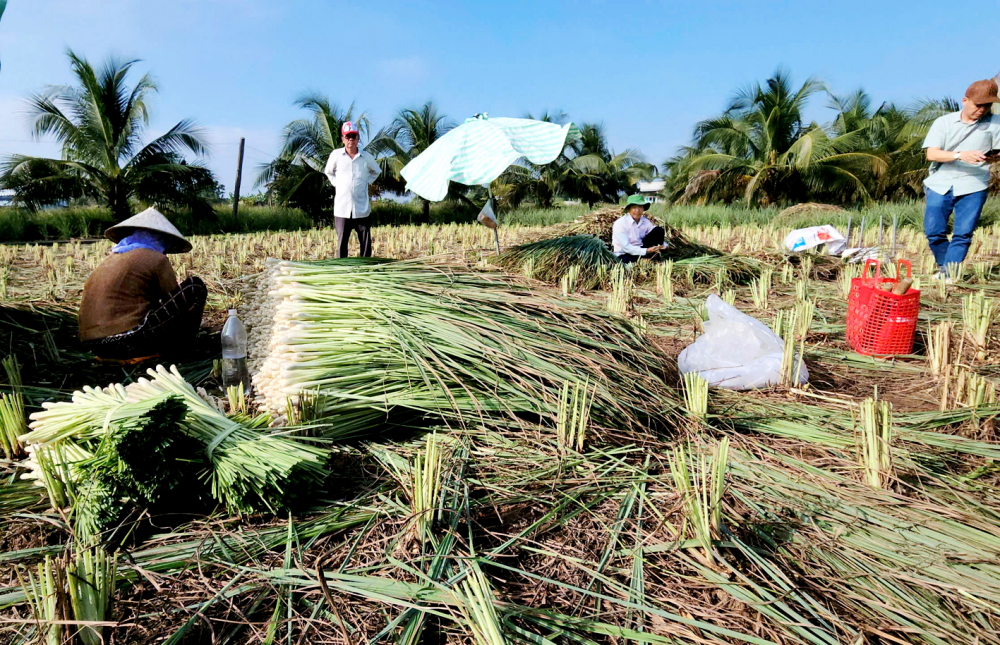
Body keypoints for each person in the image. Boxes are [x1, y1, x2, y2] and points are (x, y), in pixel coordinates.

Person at [78, 208, 207, 360]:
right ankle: (185, 349)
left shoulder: (111, 259)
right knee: (194, 287)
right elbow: (173, 301)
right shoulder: (156, 258)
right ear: (160, 239)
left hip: (94, 345)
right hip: (126, 341)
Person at [922, 78, 1000, 279]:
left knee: (963, 233)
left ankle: (949, 273)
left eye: (988, 105)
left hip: (974, 184)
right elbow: (932, 154)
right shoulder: (944, 122)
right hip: (941, 183)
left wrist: (992, 156)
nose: (982, 109)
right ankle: (945, 266)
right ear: (965, 100)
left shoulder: (996, 124)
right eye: (978, 104)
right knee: (934, 231)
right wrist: (960, 155)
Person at [324, 121, 382, 258]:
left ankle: (365, 269)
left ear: (358, 138)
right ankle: (341, 270)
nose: (351, 139)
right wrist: (336, 183)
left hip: (361, 207)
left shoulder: (366, 157)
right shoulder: (336, 155)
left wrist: (366, 182)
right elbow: (328, 172)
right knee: (342, 242)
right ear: (343, 139)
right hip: (342, 208)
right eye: (348, 136)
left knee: (365, 242)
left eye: (353, 136)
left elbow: (376, 171)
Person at [612, 194, 667, 263]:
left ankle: (650, 257)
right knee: (628, 260)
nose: (637, 210)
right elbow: (626, 247)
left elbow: (653, 236)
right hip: (625, 253)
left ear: (643, 208)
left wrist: (663, 246)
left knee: (658, 230)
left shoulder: (645, 221)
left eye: (640, 207)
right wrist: (647, 251)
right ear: (629, 209)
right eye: (634, 207)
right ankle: (646, 259)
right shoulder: (620, 223)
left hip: (641, 249)